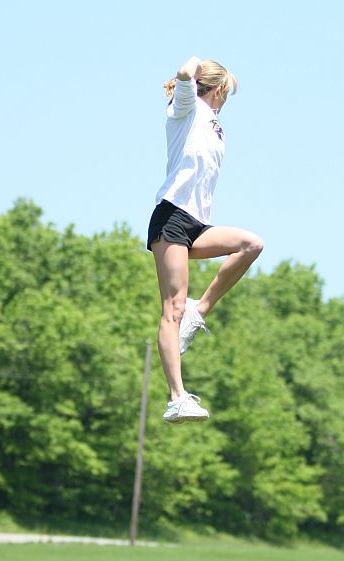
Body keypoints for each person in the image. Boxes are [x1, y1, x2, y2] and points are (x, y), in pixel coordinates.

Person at [148, 55, 264, 424]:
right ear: (215, 88)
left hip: (199, 223)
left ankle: (202, 310)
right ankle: (177, 397)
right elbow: (185, 72)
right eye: (225, 91)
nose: (226, 98)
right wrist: (197, 64)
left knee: (251, 244)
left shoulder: (215, 124)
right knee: (172, 308)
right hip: (172, 218)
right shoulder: (185, 107)